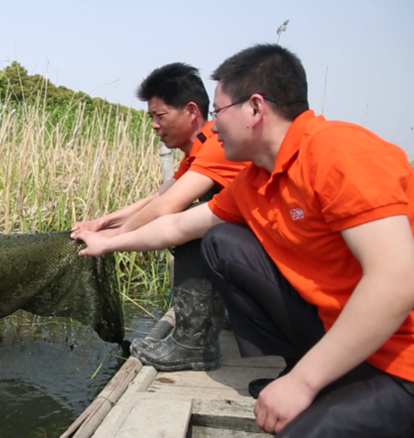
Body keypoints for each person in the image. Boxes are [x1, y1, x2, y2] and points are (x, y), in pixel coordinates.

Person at [75, 44, 414, 436]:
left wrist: (304, 383)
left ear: (255, 108)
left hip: (400, 357)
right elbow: (176, 227)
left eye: (218, 113)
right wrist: (106, 241)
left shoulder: (339, 152)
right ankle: (309, 367)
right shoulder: (253, 180)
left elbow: (397, 281)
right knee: (221, 241)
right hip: (333, 328)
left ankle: (316, 378)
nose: (213, 126)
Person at [71, 63, 249, 371]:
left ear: (191, 111)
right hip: (253, 248)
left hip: (268, 254)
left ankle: (193, 345)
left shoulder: (216, 146)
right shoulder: (202, 147)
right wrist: (103, 223)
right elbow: (157, 197)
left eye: (160, 115)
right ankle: (234, 315)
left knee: (199, 229)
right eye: (151, 117)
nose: (154, 125)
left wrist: (111, 238)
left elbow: (169, 207)